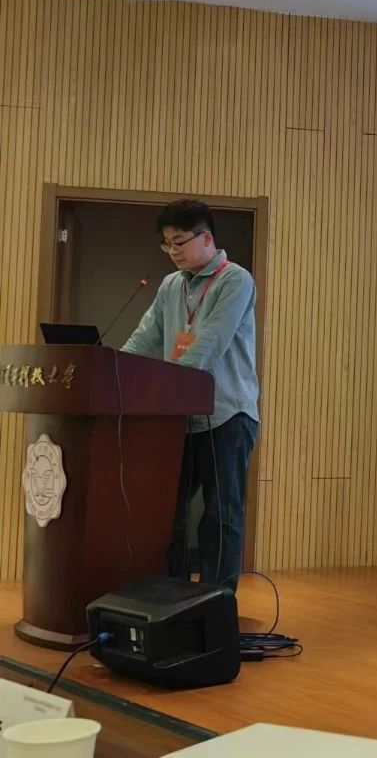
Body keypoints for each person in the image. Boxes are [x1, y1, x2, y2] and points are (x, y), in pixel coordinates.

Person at [122, 199, 259, 592]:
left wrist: (167, 387)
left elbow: (208, 345)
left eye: (179, 241)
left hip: (226, 414)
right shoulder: (171, 285)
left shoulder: (235, 280)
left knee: (220, 515)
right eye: (166, 244)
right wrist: (113, 369)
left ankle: (216, 602)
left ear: (207, 238)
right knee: (169, 512)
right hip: (179, 418)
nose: (173, 251)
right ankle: (172, 595)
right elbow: (145, 337)